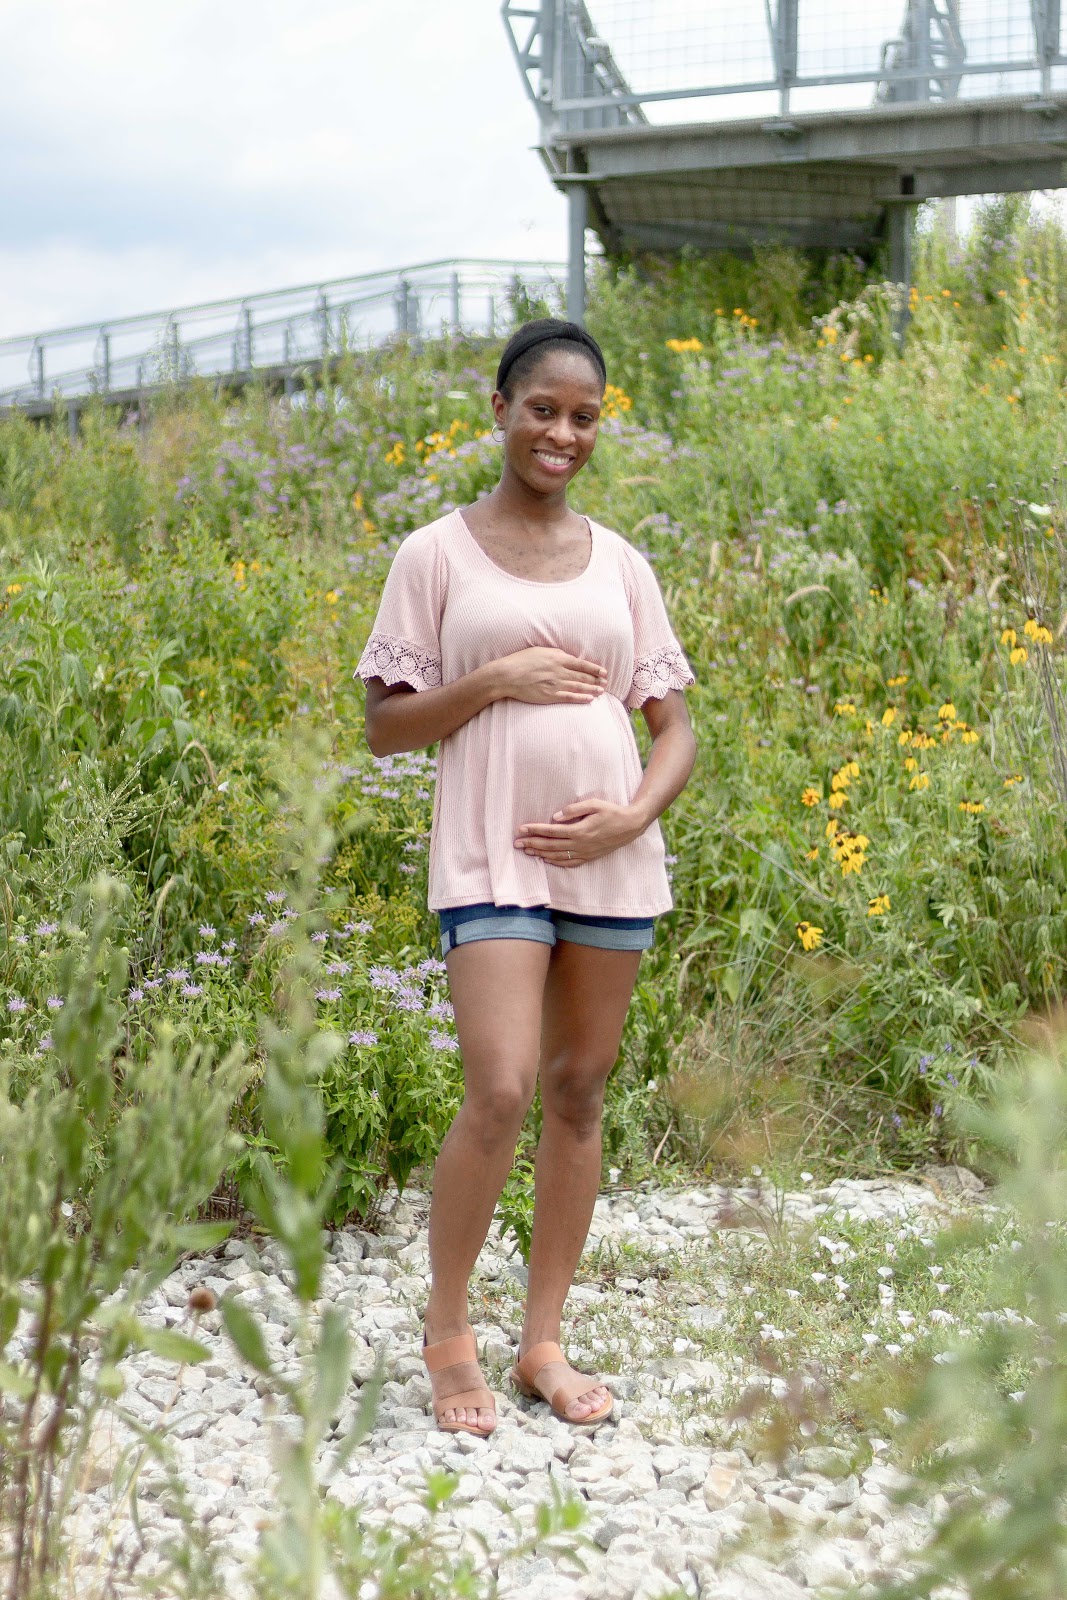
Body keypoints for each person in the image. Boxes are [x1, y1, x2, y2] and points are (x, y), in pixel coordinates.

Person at [356, 317, 696, 1438]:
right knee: (499, 1086)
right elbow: (385, 729)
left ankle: (541, 1339)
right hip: (489, 850)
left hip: (610, 858)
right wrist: (495, 675)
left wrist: (632, 815)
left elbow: (674, 726)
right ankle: (446, 1328)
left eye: (583, 415)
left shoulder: (623, 562)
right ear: (497, 409)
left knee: (577, 1090)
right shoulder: (433, 554)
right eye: (542, 408)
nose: (561, 431)